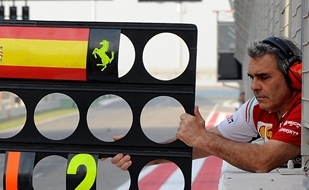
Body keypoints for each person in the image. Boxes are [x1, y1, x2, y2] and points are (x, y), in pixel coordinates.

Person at [111, 36, 302, 173]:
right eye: (252, 77)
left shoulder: (304, 108)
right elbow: (202, 143)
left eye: (264, 77)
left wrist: (202, 138)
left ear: (294, 76)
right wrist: (141, 152)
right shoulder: (255, 108)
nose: (254, 86)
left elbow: (263, 160)